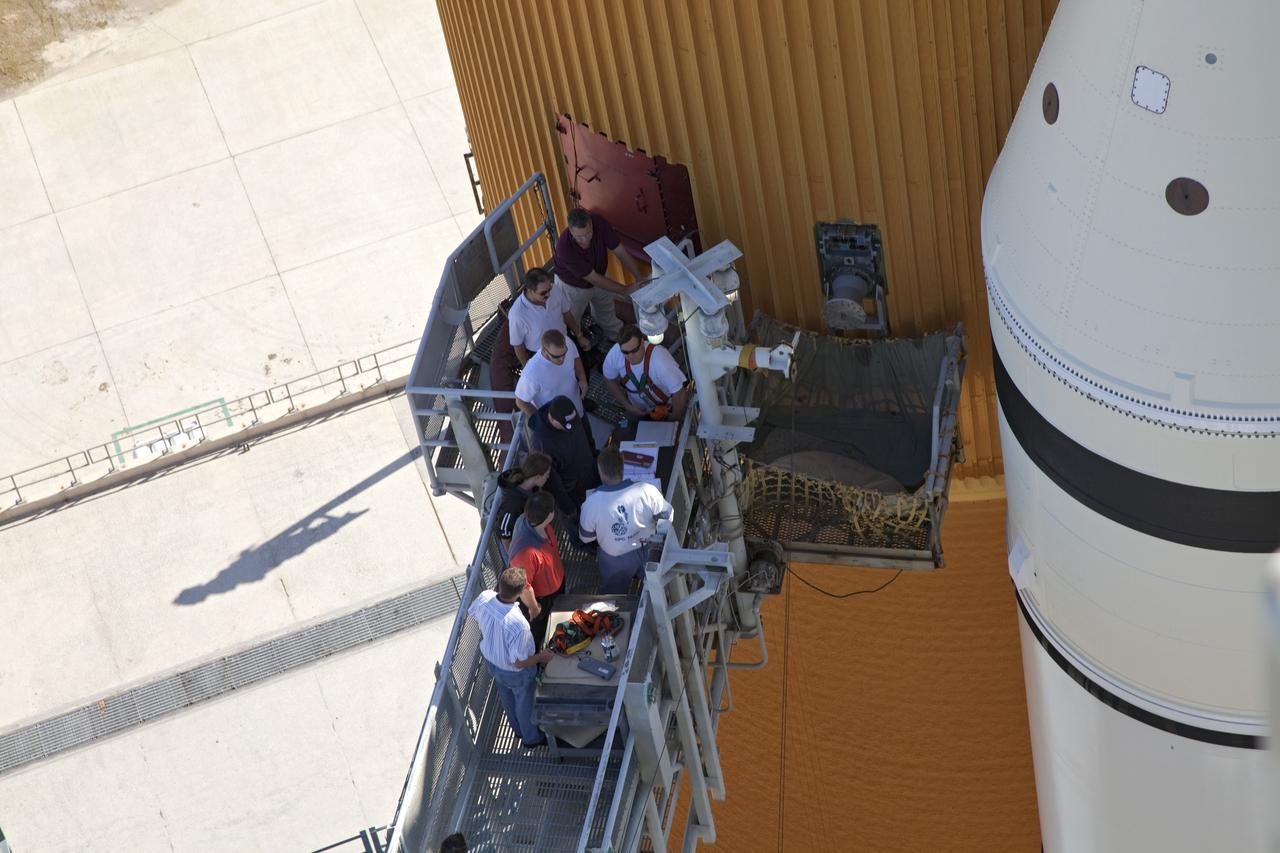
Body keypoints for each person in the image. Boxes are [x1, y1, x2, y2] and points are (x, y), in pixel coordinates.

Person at [468, 566, 554, 748]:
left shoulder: (485, 597)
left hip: (492, 663)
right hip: (515, 673)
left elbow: (474, 614)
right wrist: (541, 657)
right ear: (521, 592)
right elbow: (520, 662)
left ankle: (516, 729)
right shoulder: (519, 625)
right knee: (524, 704)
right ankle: (531, 739)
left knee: (507, 698)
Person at [579, 447, 672, 594]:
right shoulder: (646, 490)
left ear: (601, 472)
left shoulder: (590, 504)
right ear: (623, 469)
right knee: (656, 587)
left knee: (612, 595)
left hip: (615, 559)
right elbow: (668, 516)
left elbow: (586, 538)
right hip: (648, 549)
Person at [554, 208, 646, 343]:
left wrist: (639, 276)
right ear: (571, 231)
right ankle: (576, 345)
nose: (585, 240)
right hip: (572, 288)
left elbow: (619, 250)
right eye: (579, 237)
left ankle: (617, 341)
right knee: (572, 321)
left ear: (591, 223)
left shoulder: (599, 223)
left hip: (600, 275)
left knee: (607, 312)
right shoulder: (564, 247)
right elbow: (593, 279)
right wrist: (625, 290)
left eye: (588, 233)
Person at [508, 491, 566, 646]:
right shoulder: (525, 553)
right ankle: (537, 659)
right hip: (543, 600)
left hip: (557, 584)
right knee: (539, 632)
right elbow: (523, 587)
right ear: (549, 515)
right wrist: (534, 609)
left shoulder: (534, 523)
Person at [603, 324, 690, 422]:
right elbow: (609, 379)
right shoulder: (615, 354)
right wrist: (628, 406)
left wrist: (673, 419)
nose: (630, 356)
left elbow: (679, 392)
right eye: (625, 352)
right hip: (637, 410)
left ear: (642, 343)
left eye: (634, 351)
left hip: (667, 408)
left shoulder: (661, 361)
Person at [508, 268, 590, 365]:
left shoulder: (554, 289)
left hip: (564, 340)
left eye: (549, 289)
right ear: (530, 290)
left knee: (583, 367)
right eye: (543, 293)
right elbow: (517, 345)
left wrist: (579, 336)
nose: (549, 294)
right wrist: (527, 367)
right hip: (542, 356)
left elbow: (566, 313)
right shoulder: (517, 315)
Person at [528, 396, 599, 506]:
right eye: (565, 426)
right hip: (575, 491)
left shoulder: (568, 410)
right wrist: (568, 507)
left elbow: (586, 435)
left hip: (592, 472)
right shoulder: (540, 444)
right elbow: (551, 482)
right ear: (552, 418)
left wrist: (594, 456)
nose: (569, 429)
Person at [494, 451, 574, 549]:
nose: (548, 477)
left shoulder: (529, 487)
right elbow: (505, 534)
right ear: (537, 477)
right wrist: (514, 557)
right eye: (547, 474)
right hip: (515, 545)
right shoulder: (513, 503)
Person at [514, 329, 587, 419]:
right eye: (556, 356)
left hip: (578, 410)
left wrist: (583, 379)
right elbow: (521, 401)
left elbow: (576, 358)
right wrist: (542, 422)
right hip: (559, 424)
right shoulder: (531, 373)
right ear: (544, 350)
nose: (562, 359)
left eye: (564, 353)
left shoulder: (567, 341)